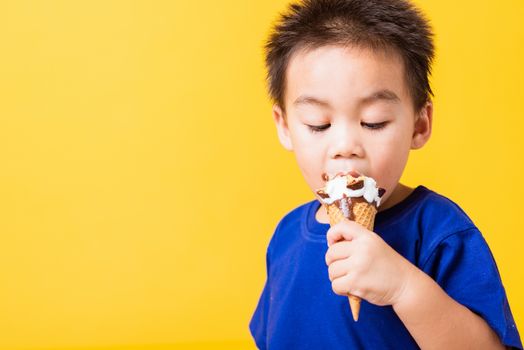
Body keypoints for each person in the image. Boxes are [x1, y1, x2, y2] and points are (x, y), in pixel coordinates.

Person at [249, 0, 523, 349]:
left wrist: (403, 287)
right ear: (285, 127)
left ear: (419, 125)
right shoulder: (286, 236)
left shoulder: (439, 233)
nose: (345, 145)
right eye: (318, 124)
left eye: (373, 121)